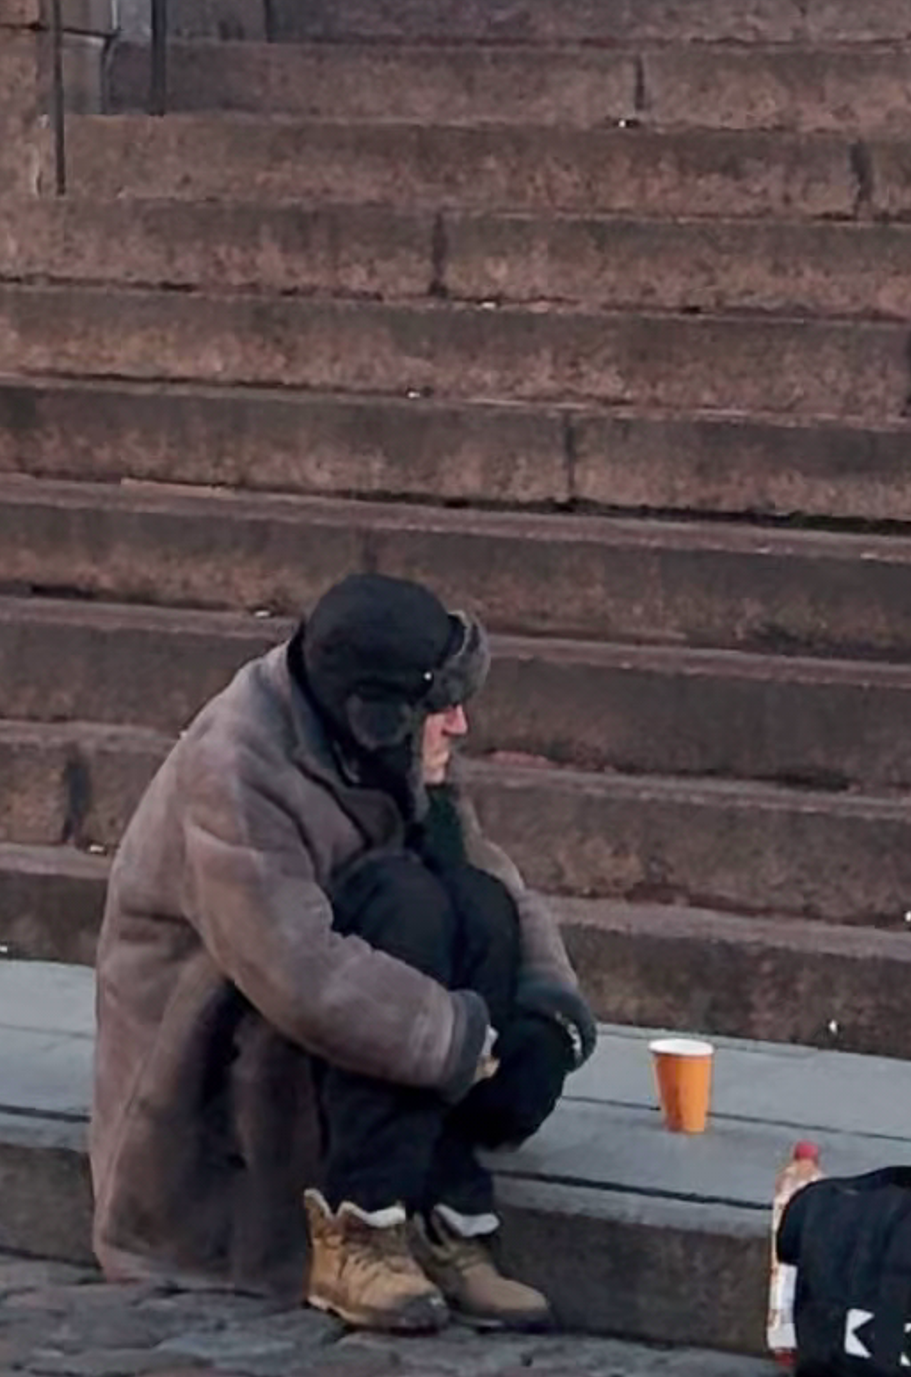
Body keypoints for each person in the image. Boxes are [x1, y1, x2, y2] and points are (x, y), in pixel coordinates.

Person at [89, 568, 596, 1337]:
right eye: (440, 707)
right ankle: (359, 1229)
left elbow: (490, 874)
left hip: (338, 1036)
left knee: (471, 902)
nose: (458, 724)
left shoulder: (379, 749)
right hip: (217, 1077)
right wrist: (462, 1041)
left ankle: (441, 1216)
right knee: (405, 904)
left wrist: (547, 1016)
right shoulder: (235, 765)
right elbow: (298, 971)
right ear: (380, 716)